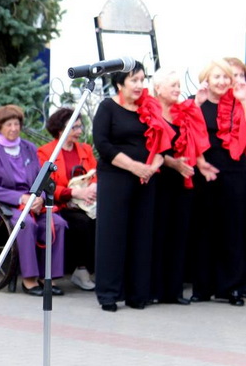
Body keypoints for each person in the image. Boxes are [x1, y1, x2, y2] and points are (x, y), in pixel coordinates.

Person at [93, 61, 173, 312]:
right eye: (134, 80)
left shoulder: (149, 108)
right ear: (119, 84)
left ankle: (138, 294)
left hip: (146, 179)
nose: (140, 85)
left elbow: (165, 144)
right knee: (112, 235)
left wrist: (152, 166)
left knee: (142, 235)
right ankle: (108, 294)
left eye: (142, 79)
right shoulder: (108, 108)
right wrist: (134, 166)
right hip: (116, 178)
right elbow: (103, 145)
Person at [0, 104, 67, 296]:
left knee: (57, 222)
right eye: (9, 124)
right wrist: (21, 198)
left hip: (33, 203)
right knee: (25, 223)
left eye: (17, 124)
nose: (14, 129)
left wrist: (40, 198)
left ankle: (47, 278)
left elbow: (40, 179)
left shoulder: (29, 148)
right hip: (4, 207)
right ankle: (29, 280)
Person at [150, 69, 216, 305]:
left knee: (179, 235)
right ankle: (155, 289)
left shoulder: (184, 110)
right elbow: (154, 148)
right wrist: (173, 163)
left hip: (183, 179)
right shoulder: (150, 111)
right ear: (158, 88)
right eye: (173, 85)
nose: (178, 89)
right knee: (158, 235)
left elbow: (197, 138)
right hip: (159, 178)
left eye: (178, 85)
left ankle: (174, 290)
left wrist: (200, 165)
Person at [190, 59, 246, 306]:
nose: (222, 82)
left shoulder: (238, 101)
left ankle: (232, 288)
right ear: (207, 79)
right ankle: (202, 287)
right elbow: (187, 132)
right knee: (204, 229)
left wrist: (243, 100)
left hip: (235, 171)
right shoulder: (197, 101)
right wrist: (196, 103)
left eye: (226, 77)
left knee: (232, 231)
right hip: (205, 171)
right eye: (217, 77)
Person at [36, 107, 97, 291]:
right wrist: (73, 193)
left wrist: (93, 186)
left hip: (87, 202)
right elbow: (47, 184)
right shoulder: (46, 153)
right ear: (61, 130)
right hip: (60, 204)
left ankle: (99, 270)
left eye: (80, 127)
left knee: (104, 220)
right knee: (83, 223)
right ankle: (81, 270)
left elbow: (95, 173)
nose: (79, 131)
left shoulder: (85, 149)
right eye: (75, 128)